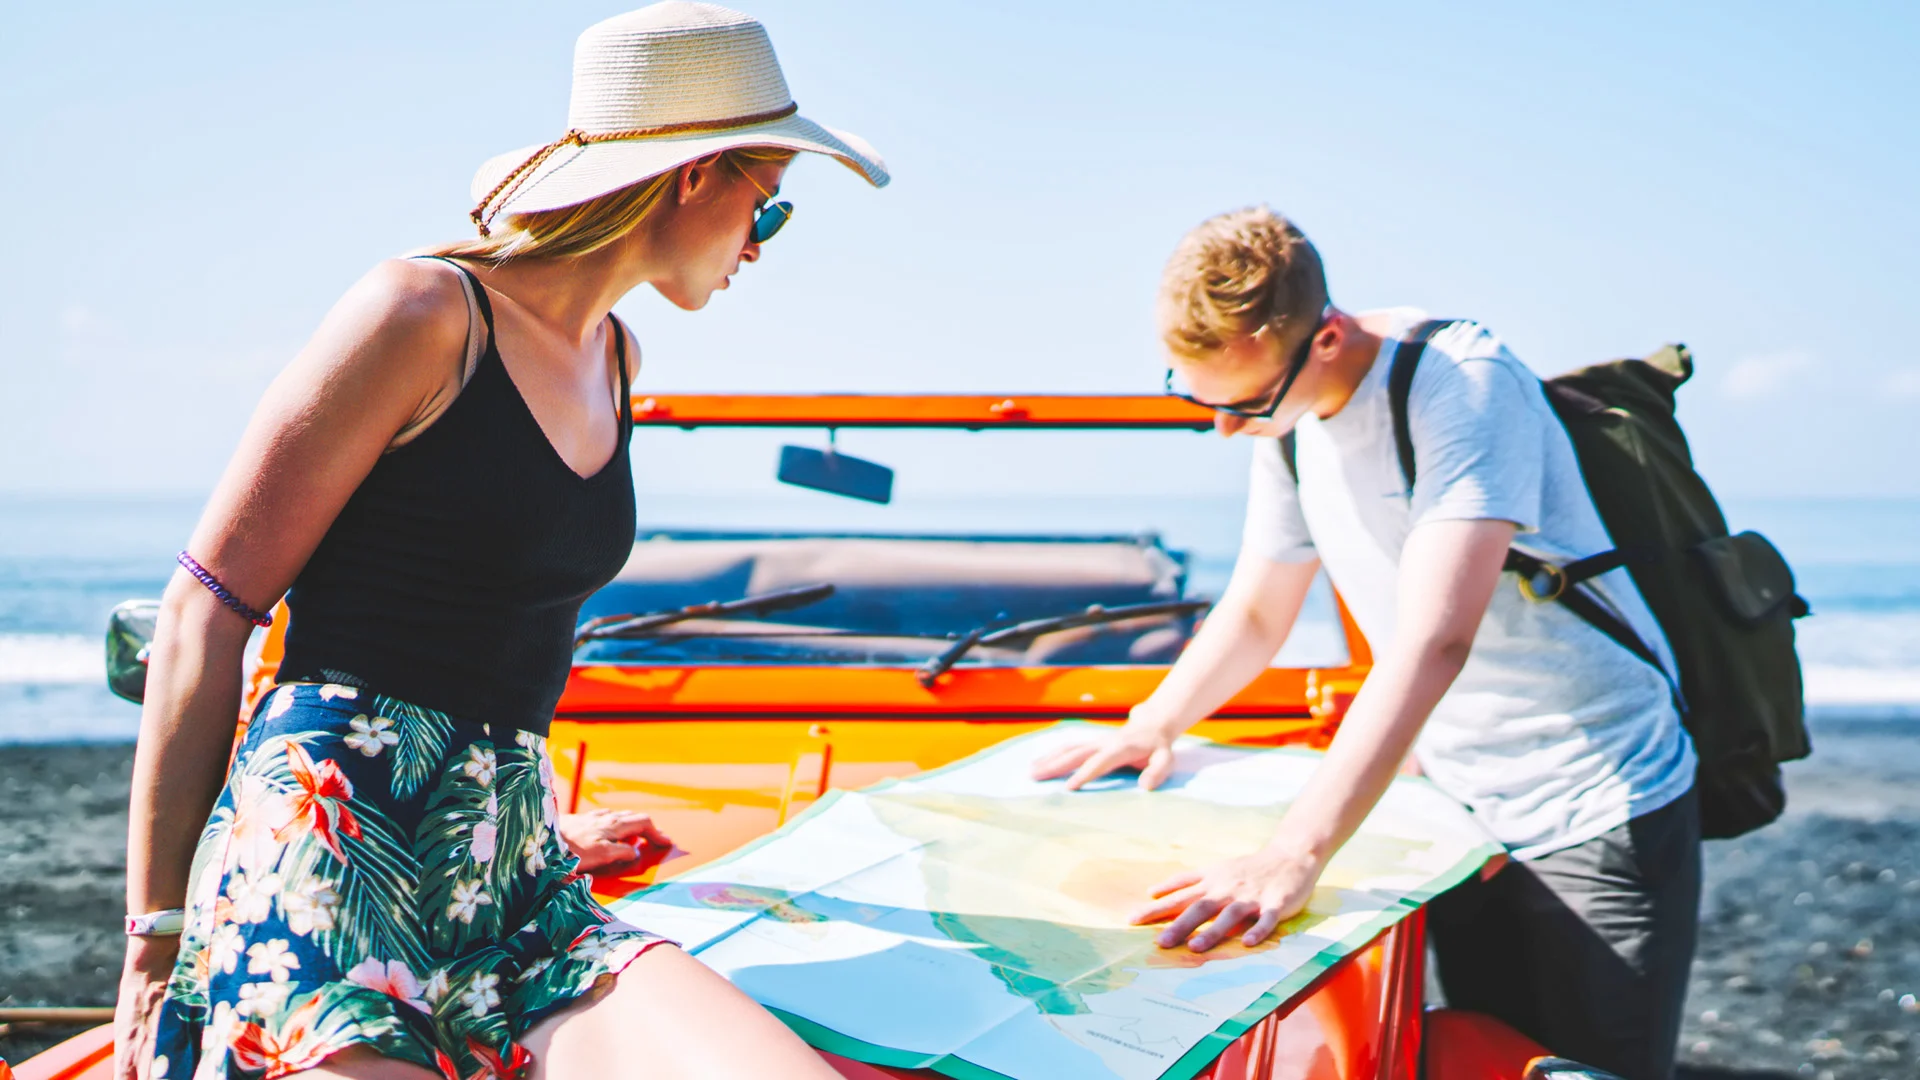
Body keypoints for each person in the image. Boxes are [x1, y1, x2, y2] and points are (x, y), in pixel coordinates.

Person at [114, 5, 886, 1079]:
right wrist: (154, 936)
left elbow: (502, 627)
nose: (761, 243)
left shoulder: (617, 359)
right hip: (331, 852)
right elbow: (208, 607)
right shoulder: (421, 313)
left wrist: (537, 807)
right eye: (771, 205)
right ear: (694, 176)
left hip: (518, 866)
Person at [1033, 207, 1700, 1079]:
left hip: (1591, 798)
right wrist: (1150, 725)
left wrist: (1293, 852)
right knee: (1482, 1055)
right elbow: (1259, 611)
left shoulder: (1462, 383)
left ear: (1327, 338)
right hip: (1461, 808)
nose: (1225, 431)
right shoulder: (1287, 419)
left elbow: (1433, 642)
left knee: (1593, 1068)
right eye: (1195, 400)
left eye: (1242, 406)